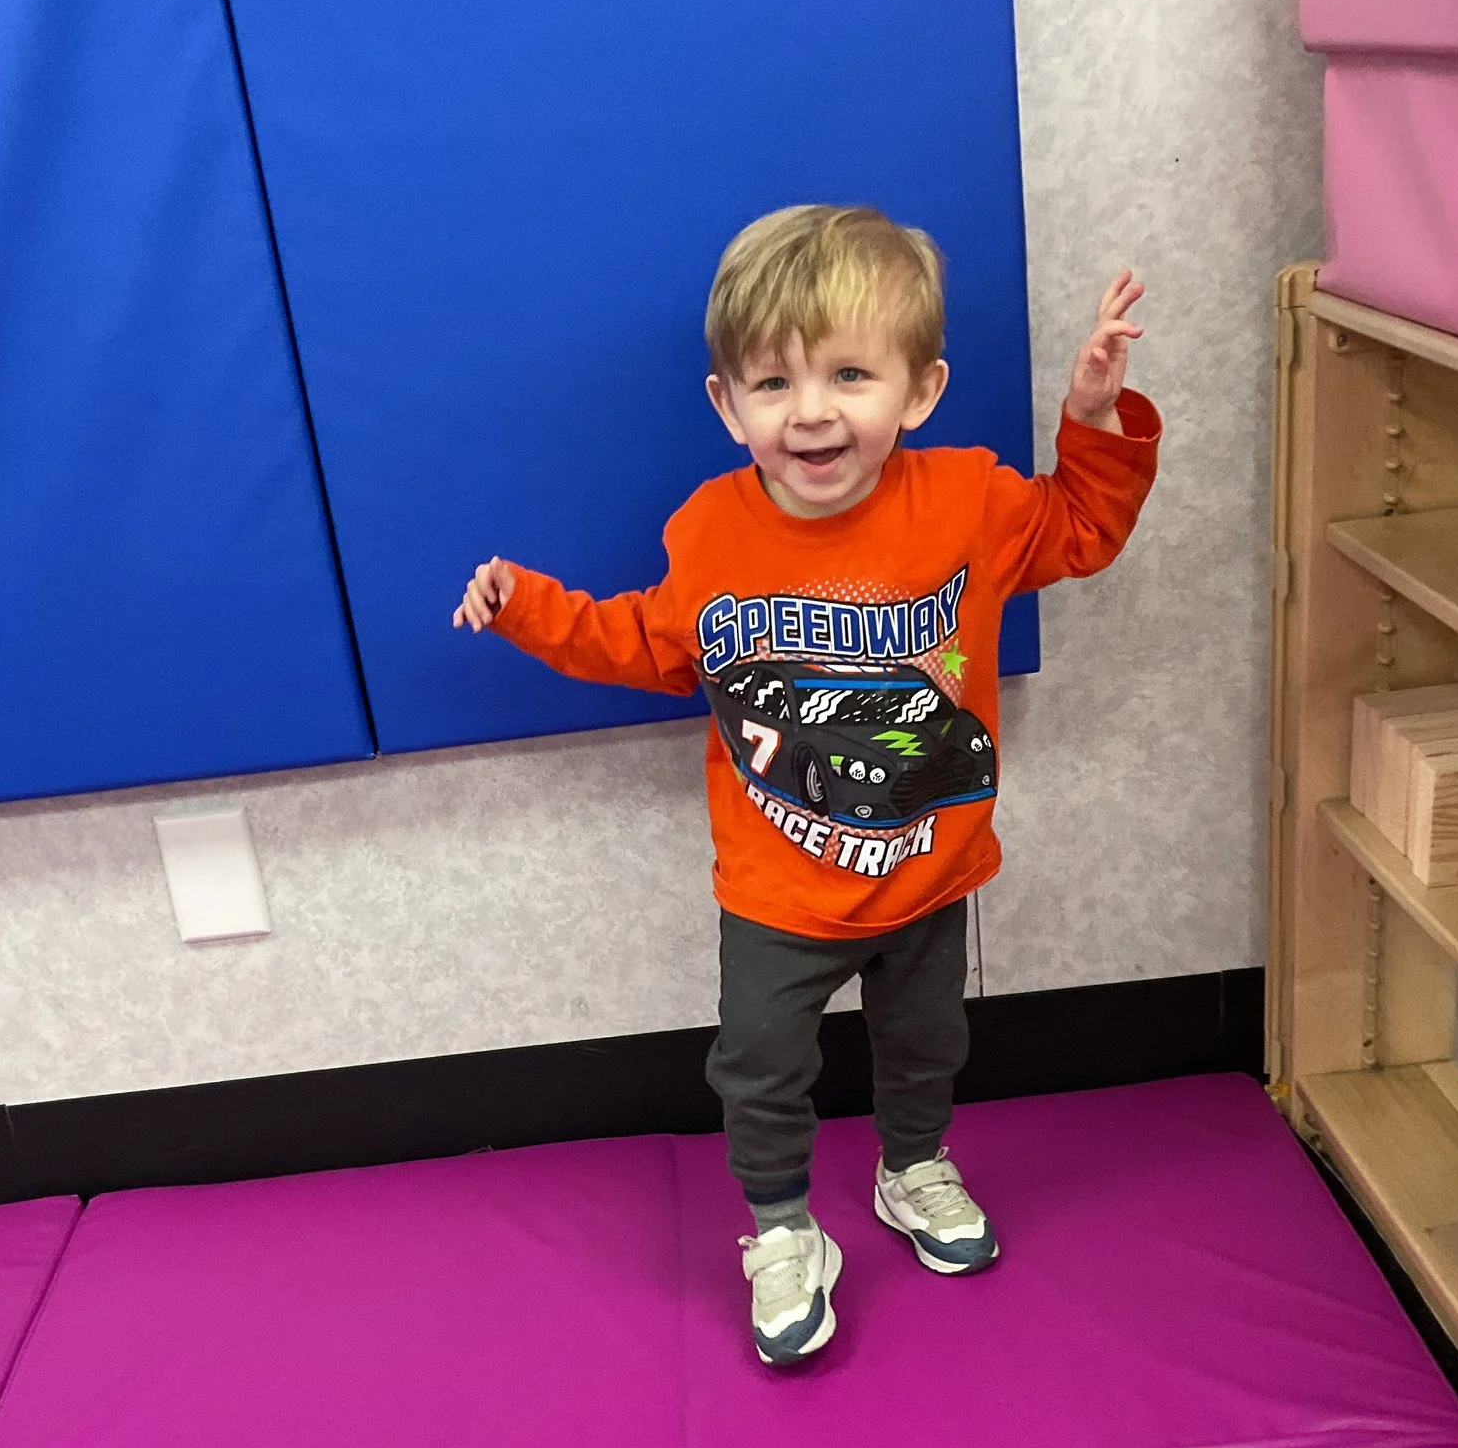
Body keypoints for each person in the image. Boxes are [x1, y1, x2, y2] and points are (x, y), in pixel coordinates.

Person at [455, 204, 1159, 1367]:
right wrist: (528, 607)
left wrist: (1091, 419)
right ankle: (782, 1228)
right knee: (757, 1066)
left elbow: (1083, 529)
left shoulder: (969, 501)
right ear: (727, 405)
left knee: (926, 1043)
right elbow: (651, 643)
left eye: (849, 374)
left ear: (920, 391)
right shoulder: (710, 528)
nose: (813, 411)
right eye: (773, 383)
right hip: (777, 884)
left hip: (926, 870)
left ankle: (913, 1166)